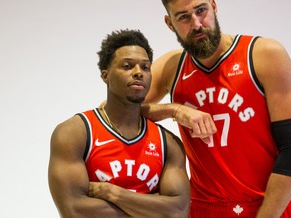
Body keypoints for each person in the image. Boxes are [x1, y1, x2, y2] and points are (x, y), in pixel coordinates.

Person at [140, 0, 291, 218]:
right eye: (184, 17)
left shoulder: (263, 54)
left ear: (214, 6)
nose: (197, 23)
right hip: (203, 209)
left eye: (201, 10)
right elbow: (114, 113)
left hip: (270, 207)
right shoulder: (172, 67)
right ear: (169, 23)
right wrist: (175, 110)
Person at [48, 29, 190, 218]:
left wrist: (113, 193)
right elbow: (75, 211)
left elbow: (178, 212)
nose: (139, 73)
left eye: (145, 67)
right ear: (105, 76)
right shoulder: (75, 133)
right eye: (127, 66)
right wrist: (151, 206)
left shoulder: (168, 143)